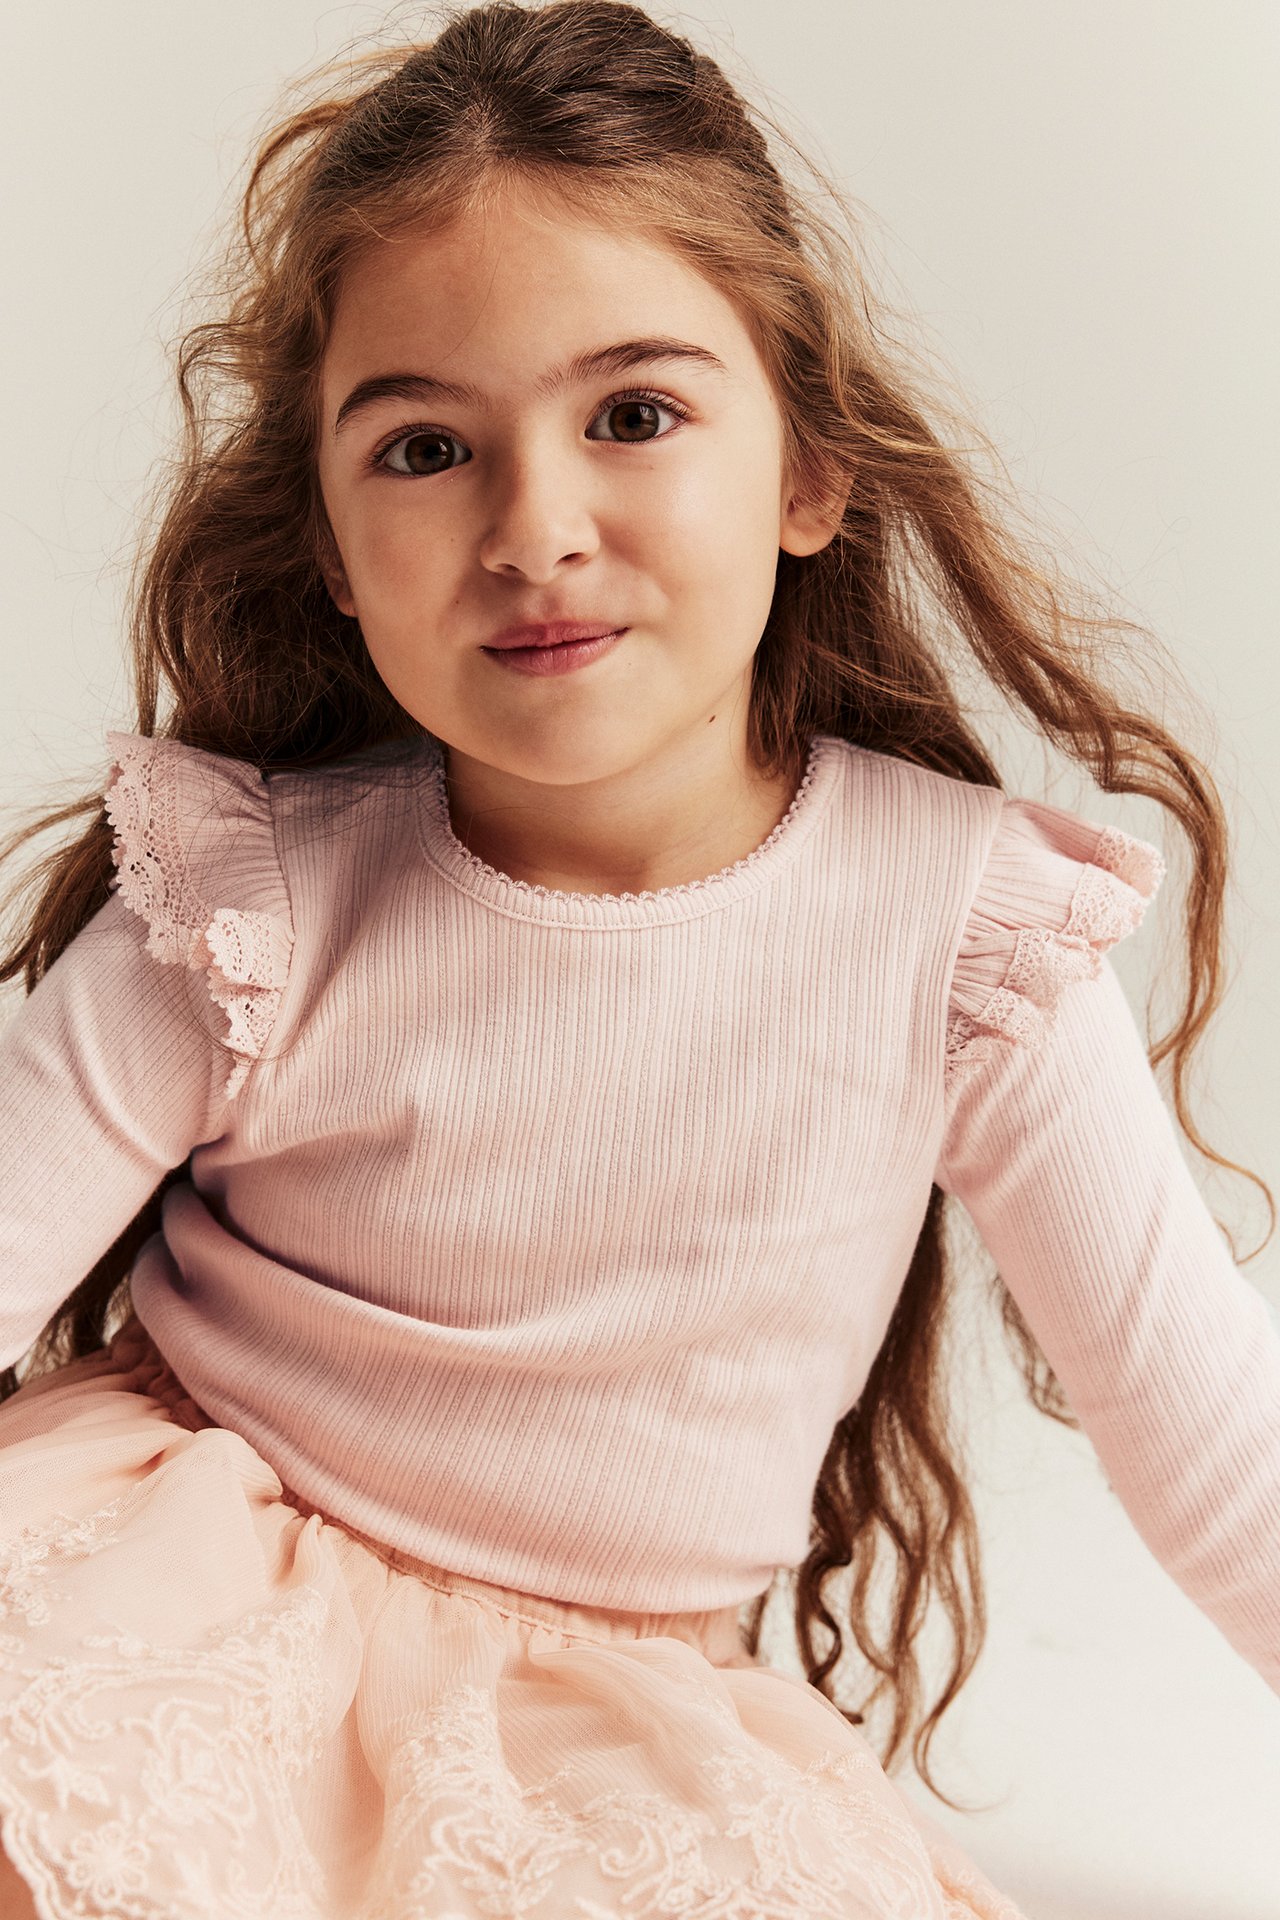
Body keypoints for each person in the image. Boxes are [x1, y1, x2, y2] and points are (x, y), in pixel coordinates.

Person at [0, 2, 1276, 1913]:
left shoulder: (961, 943)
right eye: (426, 445)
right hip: (176, 1568)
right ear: (334, 548)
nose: (537, 529)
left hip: (601, 1723)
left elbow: (1217, 1454)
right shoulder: (252, 902)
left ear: (808, 476)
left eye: (635, 415)